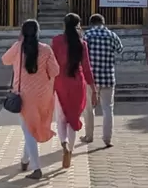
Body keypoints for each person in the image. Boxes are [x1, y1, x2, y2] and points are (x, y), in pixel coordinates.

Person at [3, 19, 59, 180]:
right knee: (31, 129)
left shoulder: (18, 47)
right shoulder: (46, 49)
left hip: (24, 96)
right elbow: (55, 71)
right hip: (43, 96)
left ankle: (36, 168)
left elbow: (5, 60)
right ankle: (25, 160)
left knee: (28, 131)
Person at [50, 13, 95, 169]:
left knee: (61, 118)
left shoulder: (56, 41)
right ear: (78, 25)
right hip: (77, 83)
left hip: (60, 82)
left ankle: (64, 143)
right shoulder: (81, 43)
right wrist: (93, 89)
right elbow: (87, 68)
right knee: (73, 119)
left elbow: (52, 64)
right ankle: (70, 149)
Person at [81, 13, 123, 147]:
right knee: (108, 109)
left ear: (91, 23)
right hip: (108, 77)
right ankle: (107, 138)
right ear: (103, 22)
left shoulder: (86, 35)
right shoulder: (112, 35)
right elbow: (120, 50)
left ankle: (89, 136)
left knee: (89, 108)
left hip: (91, 79)